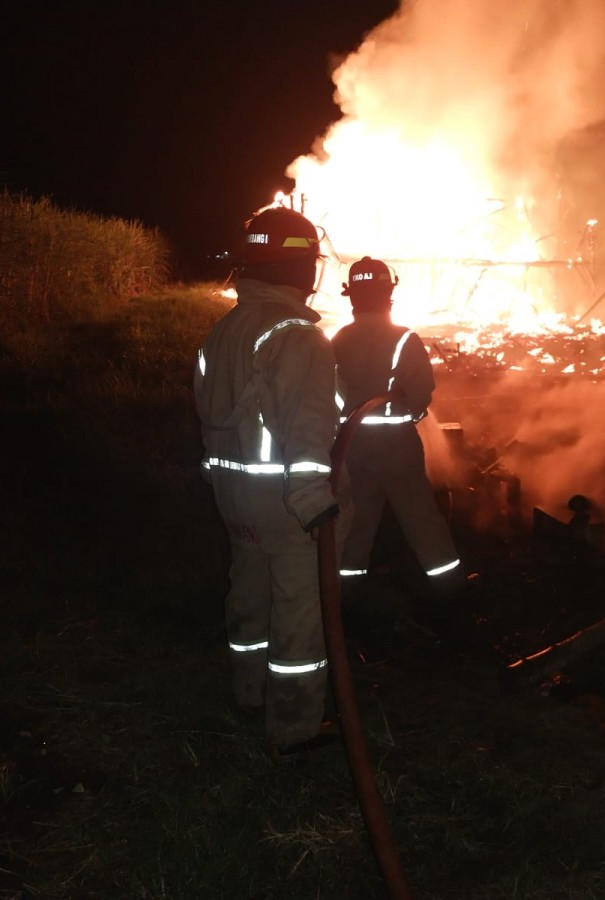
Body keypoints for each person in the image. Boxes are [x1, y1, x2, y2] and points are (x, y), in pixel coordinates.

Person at [193, 206, 340, 754]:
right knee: (299, 613)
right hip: (284, 505)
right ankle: (295, 727)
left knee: (248, 596)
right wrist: (314, 502)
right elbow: (305, 430)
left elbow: (210, 420)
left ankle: (247, 693)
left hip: (233, 497)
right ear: (302, 269)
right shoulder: (298, 336)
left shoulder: (223, 331)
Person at [331, 256, 466, 607]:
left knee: (356, 522)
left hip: (353, 446)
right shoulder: (405, 339)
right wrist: (406, 411)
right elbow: (421, 395)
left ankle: (344, 598)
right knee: (421, 519)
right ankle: (450, 591)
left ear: (352, 297)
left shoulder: (338, 340)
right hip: (397, 447)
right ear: (388, 294)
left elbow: (329, 395)